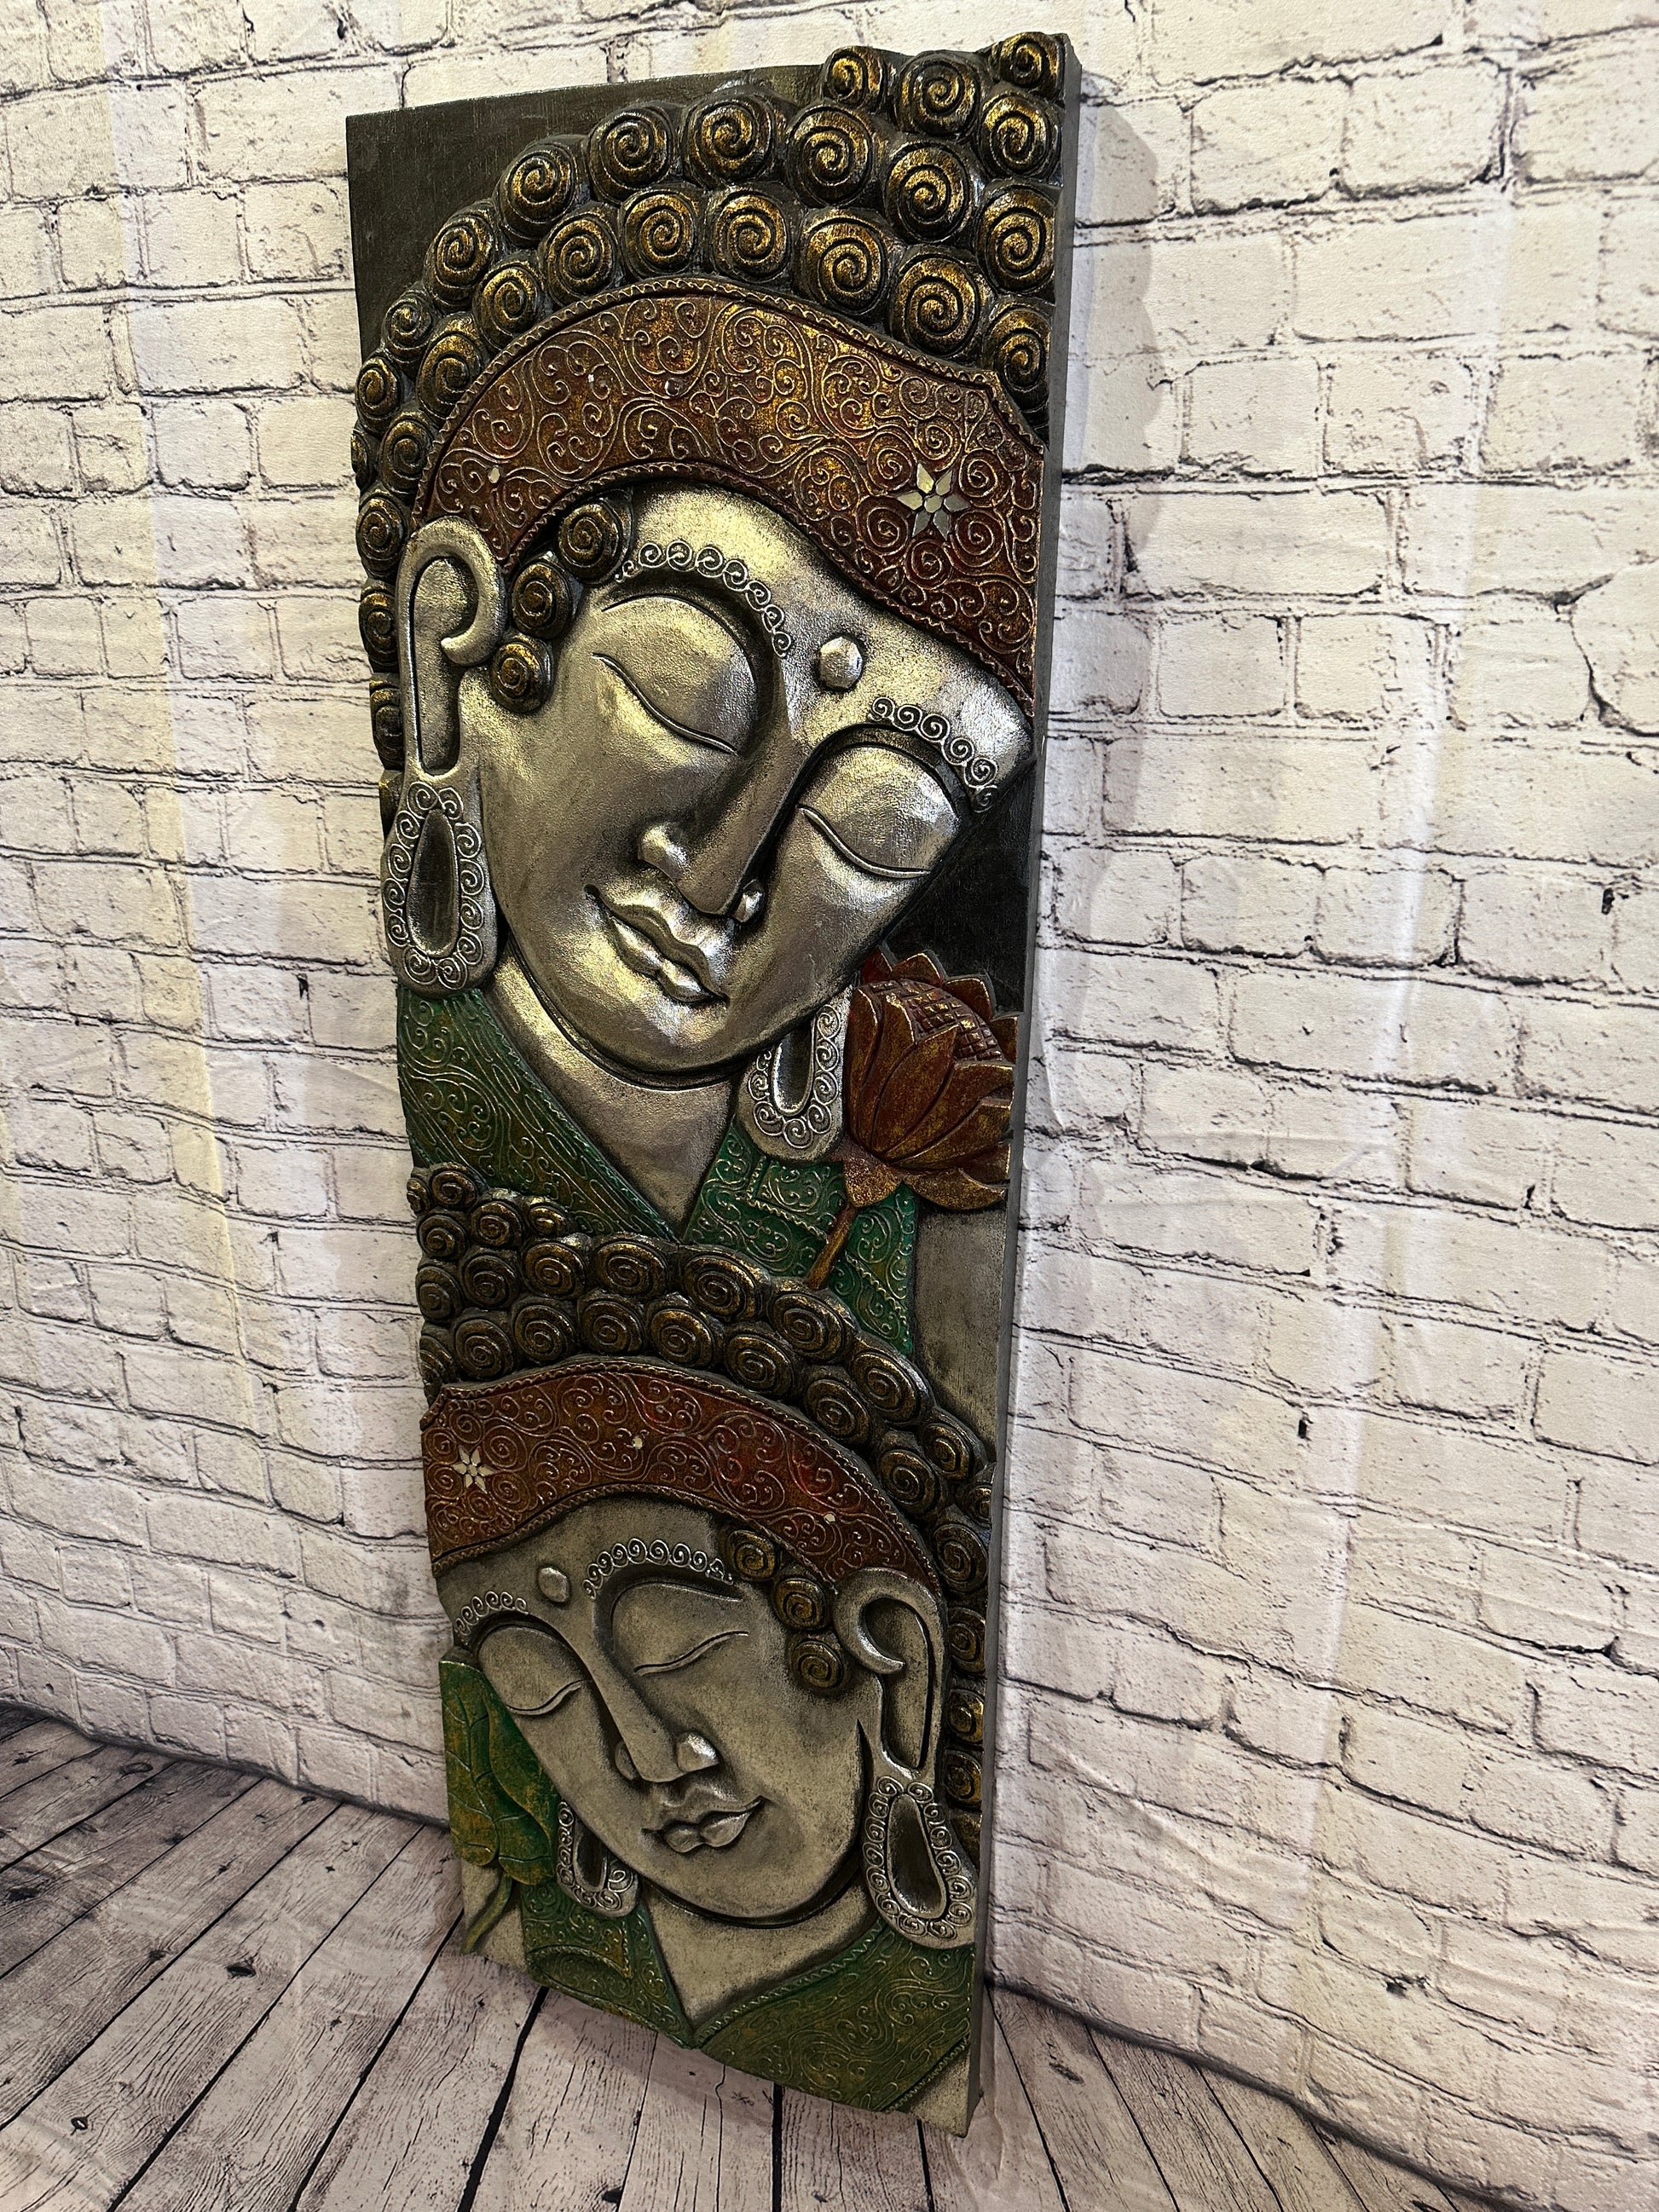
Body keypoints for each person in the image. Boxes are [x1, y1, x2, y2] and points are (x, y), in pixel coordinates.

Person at [351, 37, 1063, 2126]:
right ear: (458, 641)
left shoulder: (894, 1229)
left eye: (869, 828)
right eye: (683, 694)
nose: (730, 874)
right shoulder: (476, 1146)